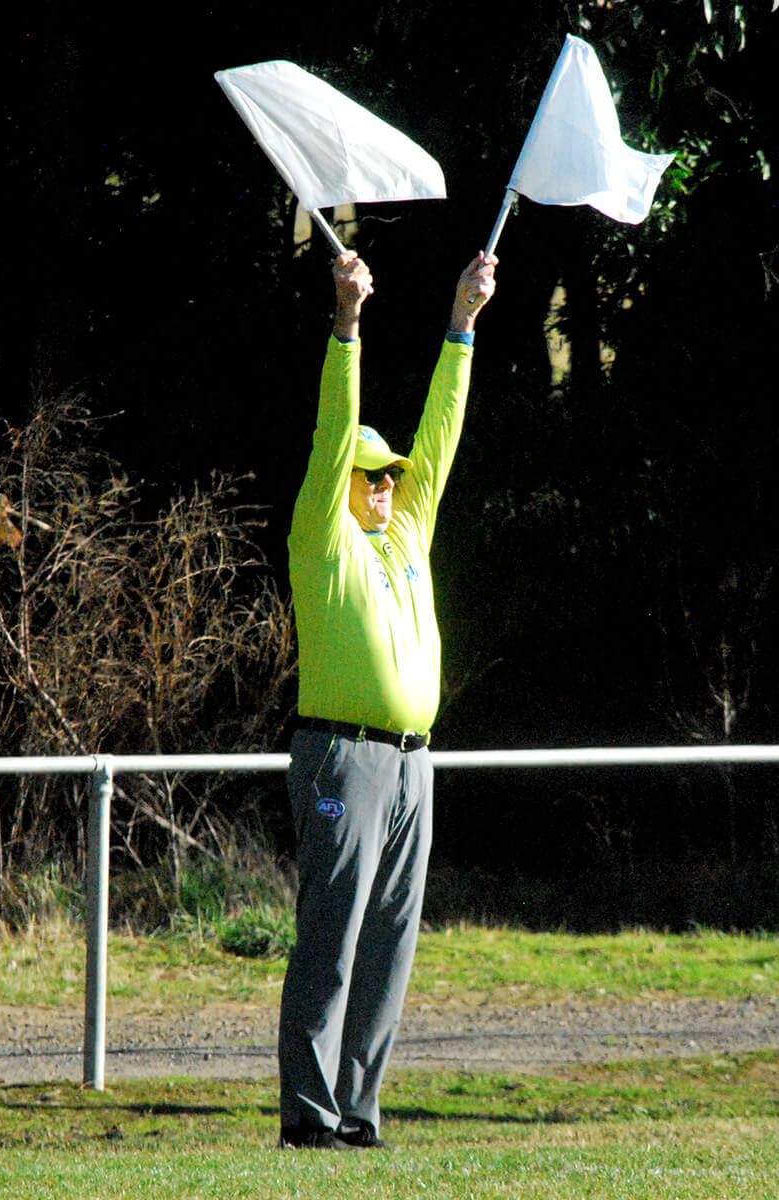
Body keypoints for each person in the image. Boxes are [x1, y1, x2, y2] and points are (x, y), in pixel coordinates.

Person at [277, 247, 497, 1150]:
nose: (385, 485)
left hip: (412, 766)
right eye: (372, 476)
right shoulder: (323, 539)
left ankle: (358, 1112)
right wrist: (347, 325)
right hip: (343, 757)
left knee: (391, 943)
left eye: (388, 476)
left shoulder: (404, 534)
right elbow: (336, 433)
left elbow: (438, 440)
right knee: (331, 937)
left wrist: (461, 326)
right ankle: (309, 1116)